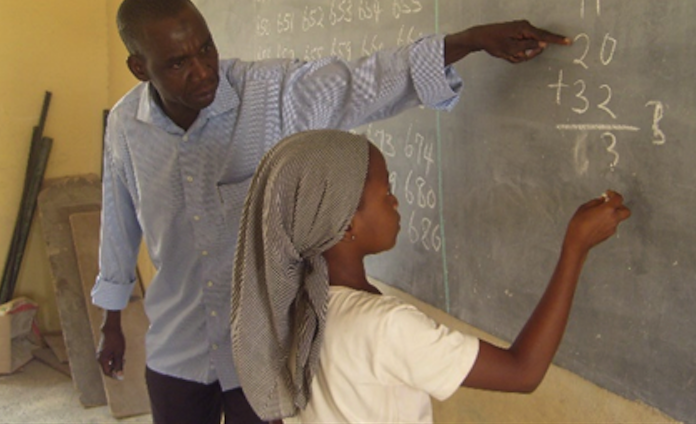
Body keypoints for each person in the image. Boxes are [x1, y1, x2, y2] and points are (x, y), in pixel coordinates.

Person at [91, 0, 570, 424]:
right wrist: (111, 321)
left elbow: (359, 83)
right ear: (140, 67)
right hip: (177, 349)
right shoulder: (126, 128)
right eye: (177, 63)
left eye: (207, 48)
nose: (202, 70)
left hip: (264, 352)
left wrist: (465, 42)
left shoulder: (268, 93)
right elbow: (119, 223)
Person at [230, 130, 631, 423]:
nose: (395, 200)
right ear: (347, 224)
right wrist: (575, 249)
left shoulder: (295, 305)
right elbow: (522, 371)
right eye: (386, 191)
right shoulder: (385, 327)